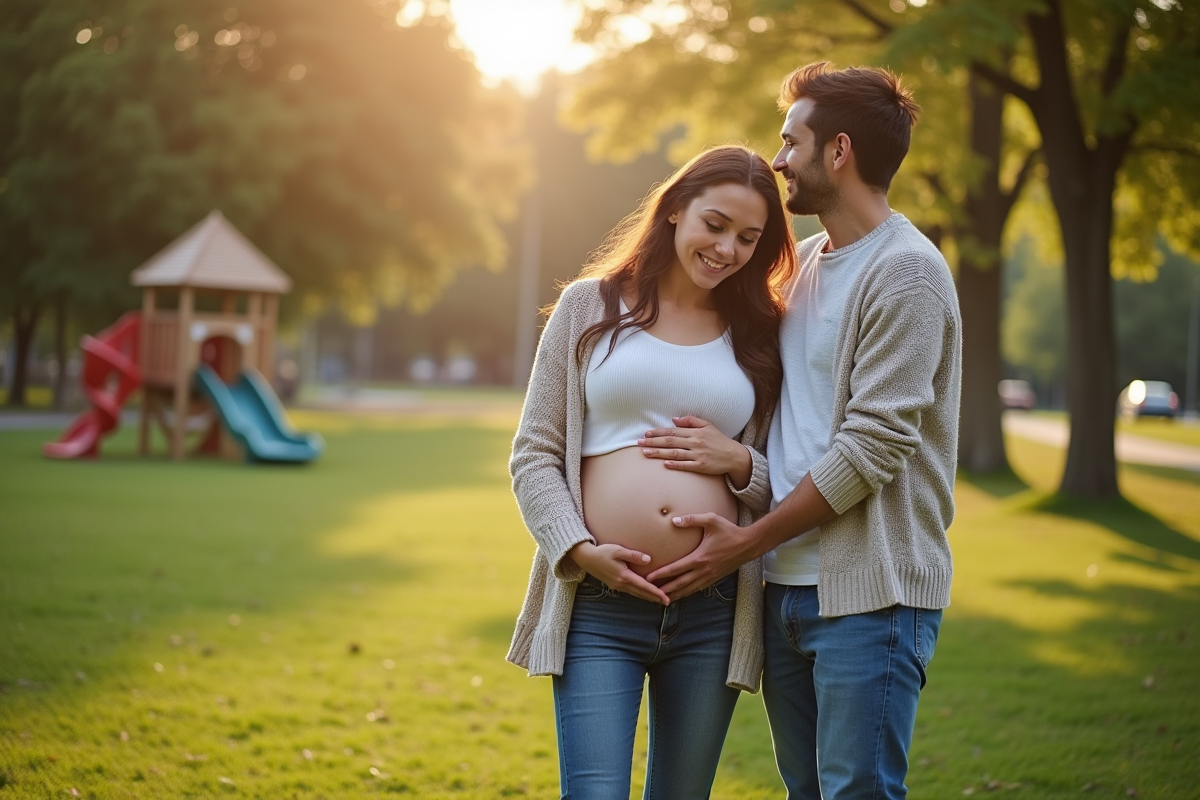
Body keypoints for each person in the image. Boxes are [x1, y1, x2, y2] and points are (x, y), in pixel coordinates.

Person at [649, 63, 963, 799]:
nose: (779, 159)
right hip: (786, 593)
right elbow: (795, 428)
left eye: (792, 142)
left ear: (839, 151)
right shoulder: (809, 265)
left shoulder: (908, 273)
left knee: (856, 792)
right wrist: (735, 464)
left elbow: (871, 448)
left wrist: (747, 540)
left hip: (869, 598)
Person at [506, 145, 796, 799]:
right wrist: (580, 551)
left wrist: (741, 462)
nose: (727, 249)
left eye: (749, 239)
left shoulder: (760, 334)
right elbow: (534, 454)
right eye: (715, 224)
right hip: (599, 607)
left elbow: (790, 472)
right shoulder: (590, 308)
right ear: (674, 212)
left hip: (712, 609)